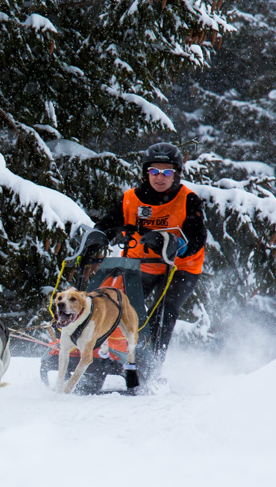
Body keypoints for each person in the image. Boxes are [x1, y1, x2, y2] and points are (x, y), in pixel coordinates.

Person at [80, 142, 207, 379]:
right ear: (146, 172)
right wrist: (97, 238)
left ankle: (152, 367)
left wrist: (165, 241)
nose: (160, 177)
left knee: (164, 309)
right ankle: (102, 355)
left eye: (167, 172)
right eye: (154, 171)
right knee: (114, 304)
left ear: (176, 174)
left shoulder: (188, 200)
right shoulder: (131, 198)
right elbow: (107, 224)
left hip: (181, 268)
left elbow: (197, 239)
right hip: (141, 264)